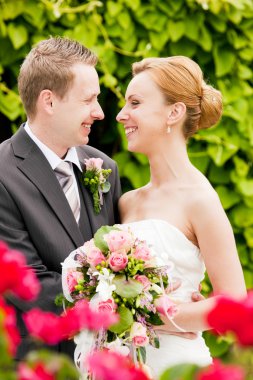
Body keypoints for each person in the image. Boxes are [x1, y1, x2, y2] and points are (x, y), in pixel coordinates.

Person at [116, 56, 246, 377]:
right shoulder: (126, 202)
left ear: (173, 112)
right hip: (119, 363)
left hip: (175, 365)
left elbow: (234, 304)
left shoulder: (200, 199)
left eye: (135, 103)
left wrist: (162, 316)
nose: (121, 115)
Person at [0, 37, 122, 359]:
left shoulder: (104, 168)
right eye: (88, 100)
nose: (99, 113)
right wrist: (116, 300)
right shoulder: (3, 173)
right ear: (49, 102)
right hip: (39, 361)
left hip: (103, 361)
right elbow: (28, 283)